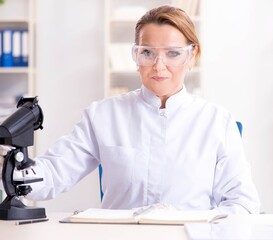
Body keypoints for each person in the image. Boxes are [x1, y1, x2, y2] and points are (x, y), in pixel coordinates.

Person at [0, 5, 260, 214]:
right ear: (136, 57)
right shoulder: (104, 115)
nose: (159, 66)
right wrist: (11, 164)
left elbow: (242, 203)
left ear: (192, 56)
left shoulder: (216, 121)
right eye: (147, 52)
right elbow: (53, 175)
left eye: (172, 53)